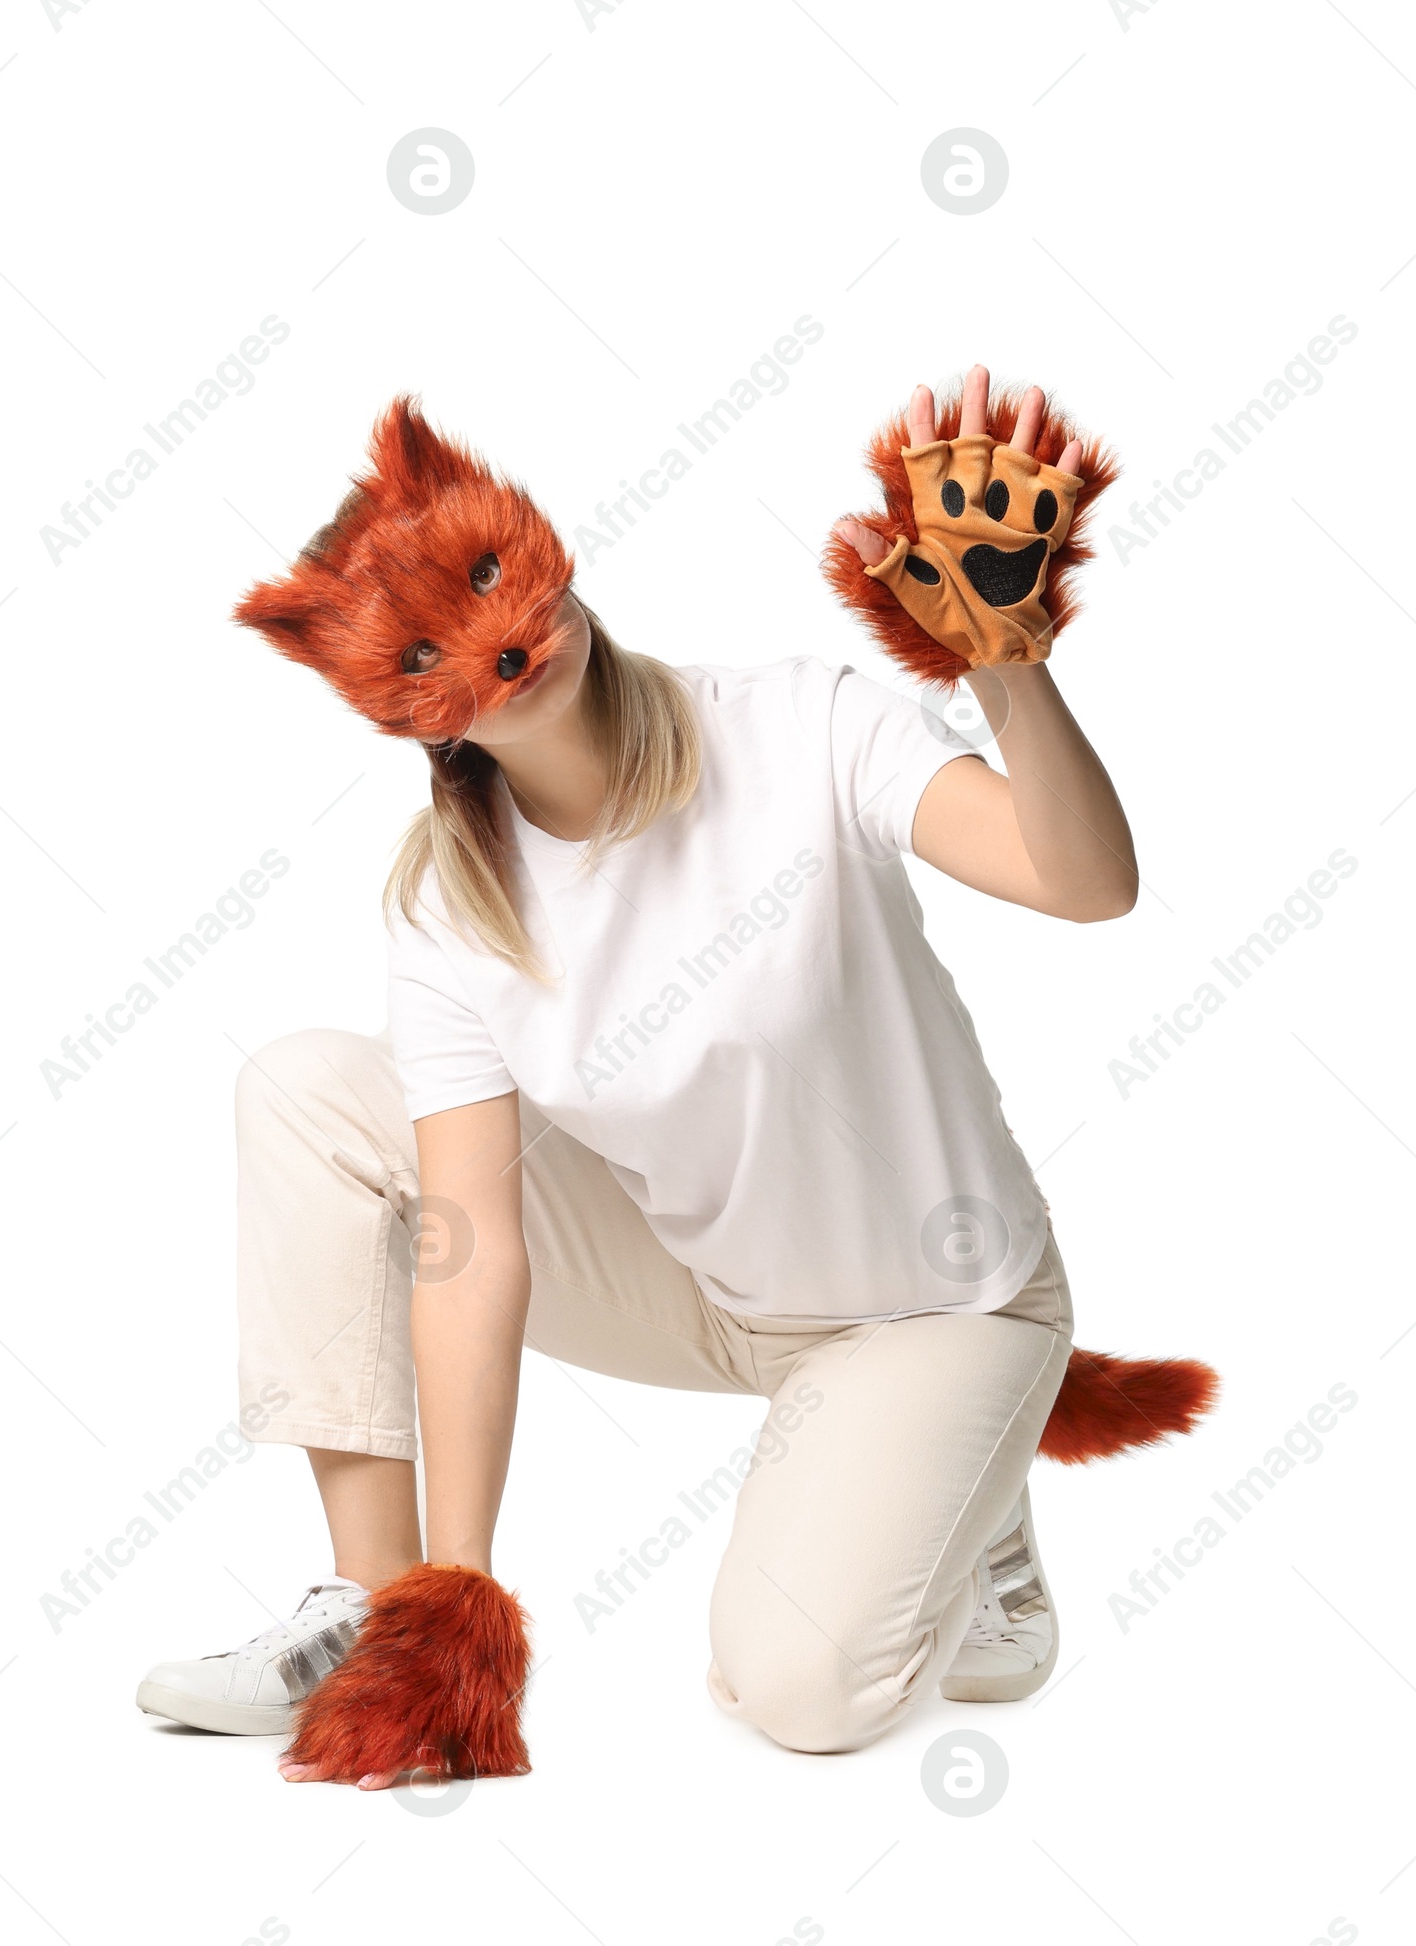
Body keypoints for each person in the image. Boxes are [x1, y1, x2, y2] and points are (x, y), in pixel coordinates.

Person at [136, 368, 1203, 1788]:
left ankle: (976, 1485)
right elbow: (470, 1249)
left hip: (938, 1298)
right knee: (306, 1093)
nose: (499, 638)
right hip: (710, 1287)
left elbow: (1089, 886)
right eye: (433, 643)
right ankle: (369, 1611)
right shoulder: (453, 902)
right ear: (409, 714)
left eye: (489, 572)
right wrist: (458, 1600)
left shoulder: (801, 726)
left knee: (802, 1690)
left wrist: (1007, 659)